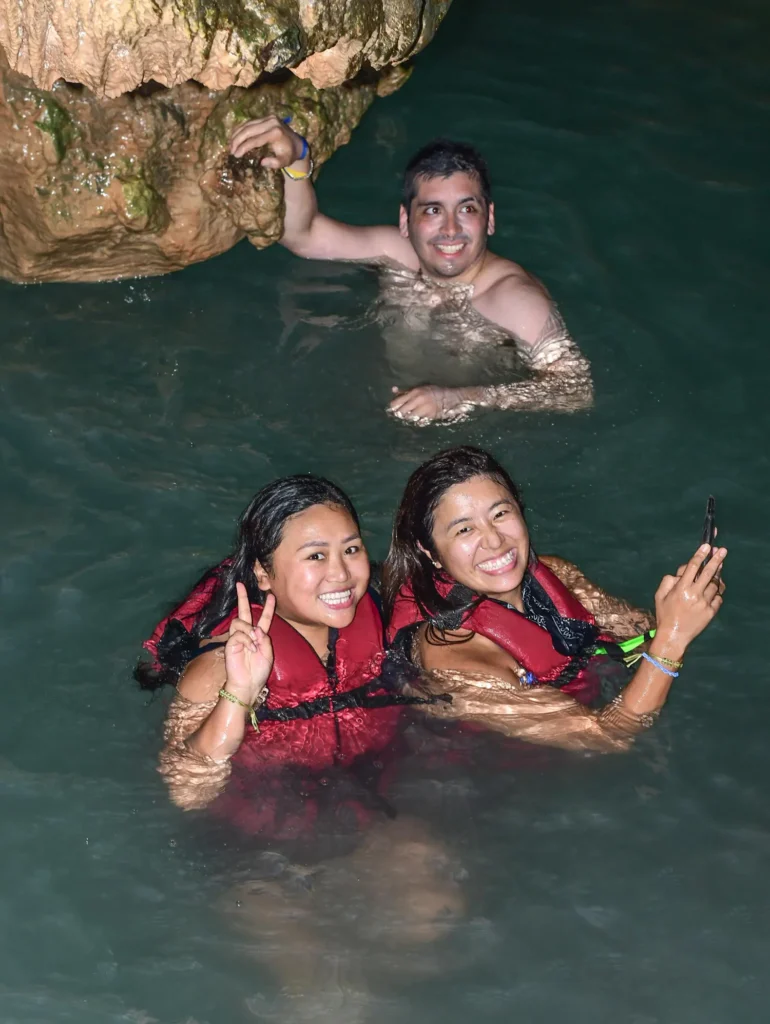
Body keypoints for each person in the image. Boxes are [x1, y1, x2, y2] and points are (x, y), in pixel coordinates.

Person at [136, 475, 464, 1014]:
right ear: (264, 573)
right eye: (315, 556)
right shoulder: (218, 666)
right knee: (325, 993)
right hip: (255, 854)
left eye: (352, 549)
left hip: (365, 821)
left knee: (439, 918)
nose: (340, 574)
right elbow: (187, 788)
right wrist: (239, 694)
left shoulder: (386, 621)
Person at [229, 120, 593, 425]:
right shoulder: (396, 254)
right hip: (383, 404)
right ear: (406, 221)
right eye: (432, 211)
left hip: (464, 436)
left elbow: (575, 389)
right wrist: (298, 158)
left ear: (490, 218)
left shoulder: (513, 299)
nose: (450, 229)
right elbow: (302, 235)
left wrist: (459, 399)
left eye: (466, 209)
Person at [382, 446, 726, 752]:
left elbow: (641, 634)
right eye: (464, 529)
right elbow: (605, 737)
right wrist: (674, 636)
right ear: (430, 553)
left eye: (501, 514)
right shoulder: (455, 662)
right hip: (498, 787)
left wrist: (685, 602)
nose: (494, 540)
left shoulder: (558, 573)